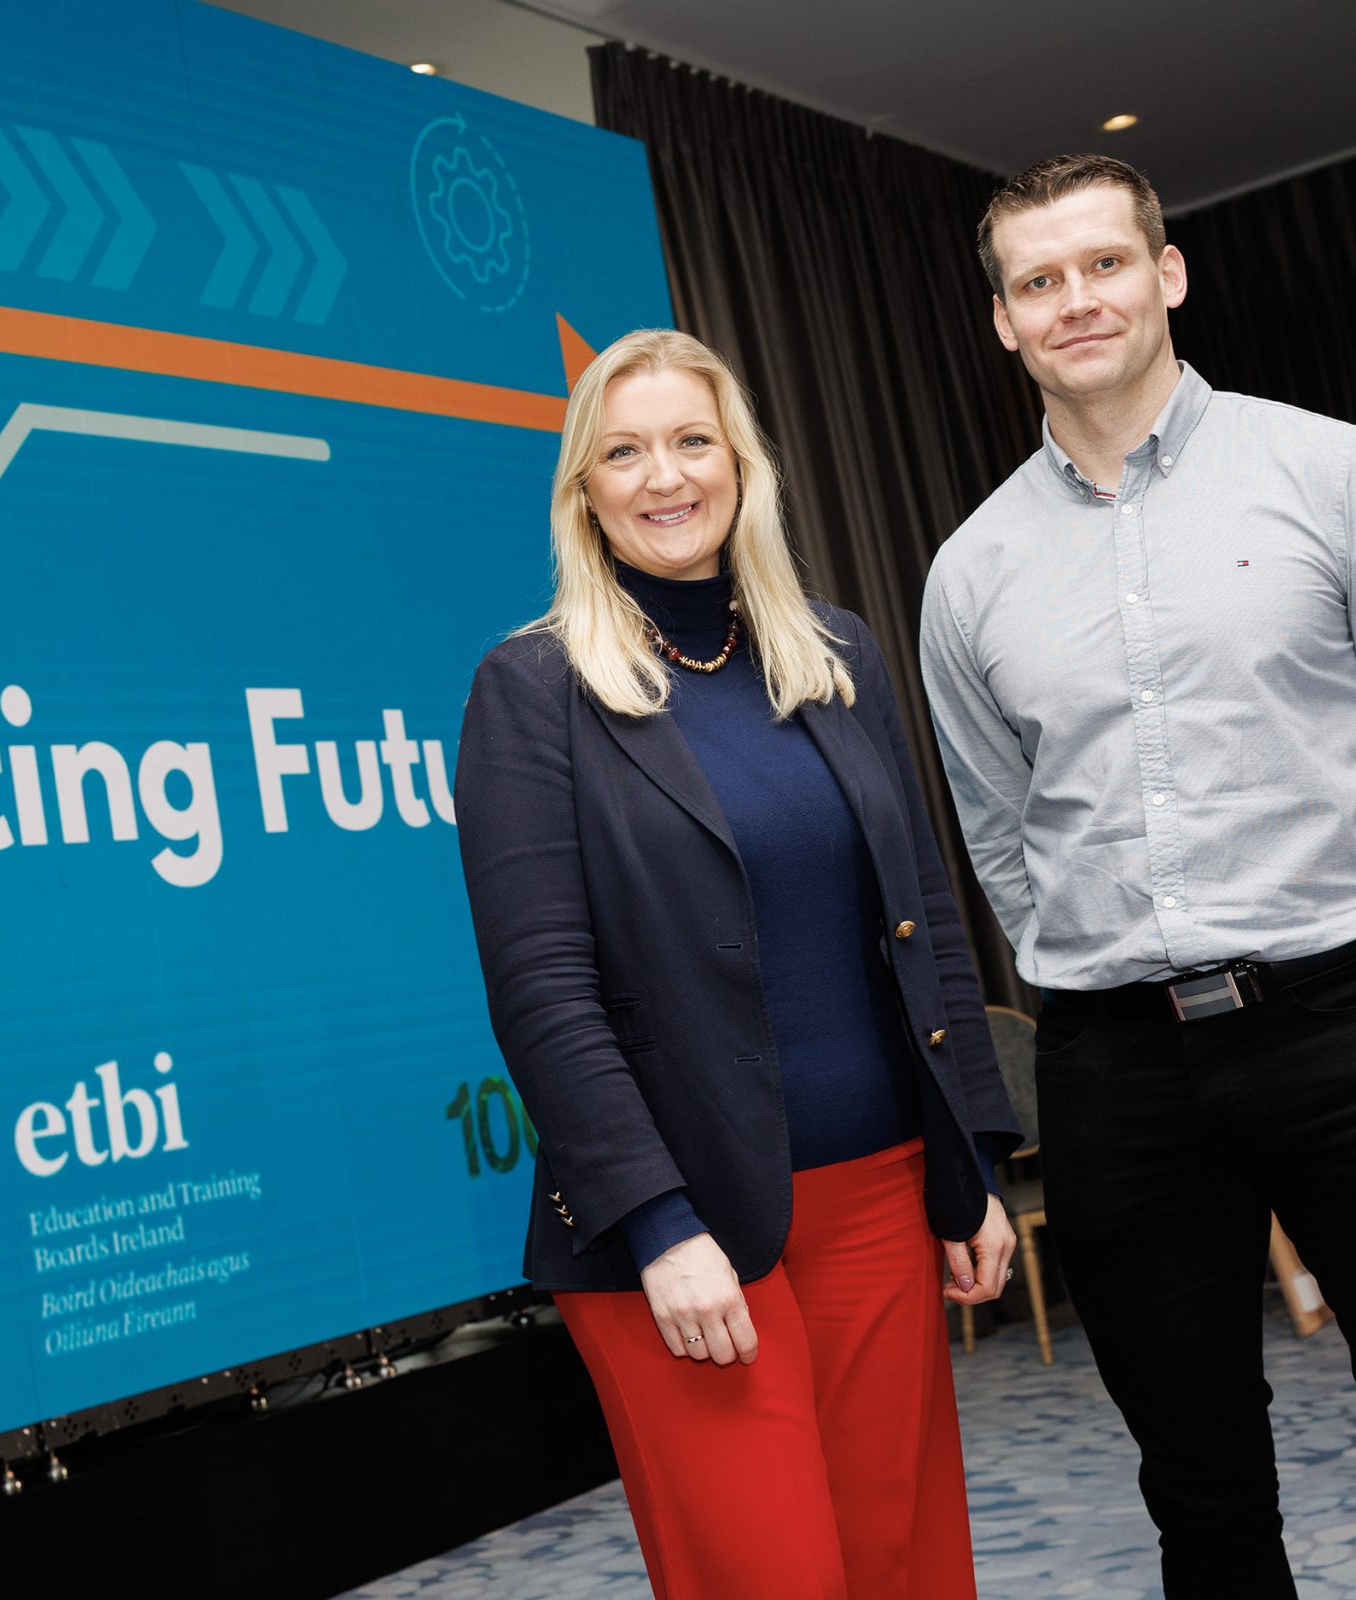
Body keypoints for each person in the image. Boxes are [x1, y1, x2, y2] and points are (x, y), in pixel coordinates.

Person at [920, 153, 1356, 1597]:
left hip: (1355, 1033)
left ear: (1168, 275)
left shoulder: (1336, 472)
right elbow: (998, 833)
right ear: (1002, 322)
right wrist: (1111, 990)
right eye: (1038, 281)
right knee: (1201, 1499)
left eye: (1105, 263)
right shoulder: (970, 572)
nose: (1075, 300)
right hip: (1121, 1081)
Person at [455, 328, 1022, 1600]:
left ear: (742, 463)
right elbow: (540, 986)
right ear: (583, 491)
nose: (664, 477)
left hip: (878, 1197)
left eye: (691, 441)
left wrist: (969, 1160)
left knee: (902, 1566)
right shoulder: (533, 688)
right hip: (688, 1226)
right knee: (771, 1577)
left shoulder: (834, 653)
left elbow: (921, 906)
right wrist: (657, 1225)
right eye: (624, 452)